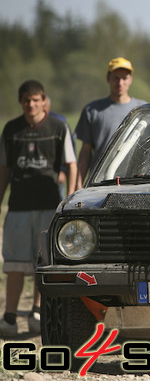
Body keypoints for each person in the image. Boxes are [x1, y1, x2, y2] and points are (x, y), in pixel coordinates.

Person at [0, 80, 77, 337]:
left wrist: (73, 197)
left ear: (44, 100)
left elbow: (71, 162)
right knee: (14, 264)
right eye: (26, 100)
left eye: (36, 99)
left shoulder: (58, 126)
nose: (31, 105)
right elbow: (4, 170)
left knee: (42, 263)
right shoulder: (11, 130)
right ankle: (9, 317)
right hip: (18, 207)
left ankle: (36, 311)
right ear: (21, 102)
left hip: (48, 206)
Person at [75, 57, 146, 189]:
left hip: (134, 183)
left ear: (130, 79)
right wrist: (78, 183)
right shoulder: (93, 110)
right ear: (108, 79)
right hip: (99, 184)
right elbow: (85, 152)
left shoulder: (142, 110)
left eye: (124, 78)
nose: (120, 83)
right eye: (116, 78)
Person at [43, 96, 75, 200]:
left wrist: (63, 171)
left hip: (56, 177)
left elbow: (70, 152)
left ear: (49, 106)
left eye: (44, 106)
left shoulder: (59, 122)